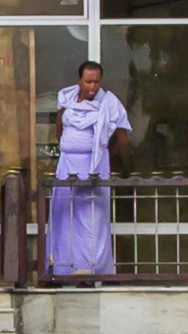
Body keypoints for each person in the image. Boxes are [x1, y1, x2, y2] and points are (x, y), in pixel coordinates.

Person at [46, 58, 132, 281]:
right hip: (67, 167)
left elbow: (122, 138)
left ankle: (91, 272)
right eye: (88, 82)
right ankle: (64, 270)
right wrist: (69, 147)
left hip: (94, 169)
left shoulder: (110, 103)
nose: (92, 87)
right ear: (79, 81)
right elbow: (60, 128)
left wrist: (101, 155)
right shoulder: (66, 98)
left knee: (92, 221)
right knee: (64, 218)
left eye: (96, 82)